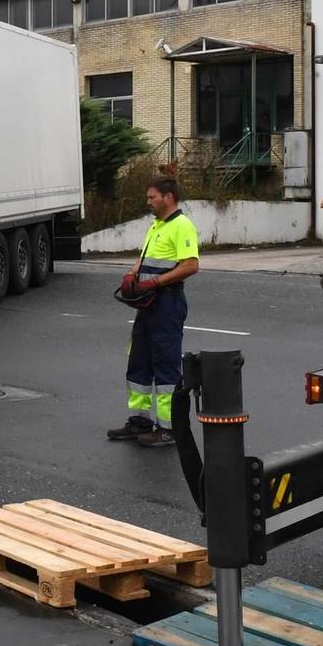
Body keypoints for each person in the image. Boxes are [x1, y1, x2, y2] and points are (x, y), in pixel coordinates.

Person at [107, 175, 200, 447]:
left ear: (168, 197)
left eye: (152, 197)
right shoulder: (157, 225)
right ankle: (139, 422)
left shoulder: (182, 225)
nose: (148, 201)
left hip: (167, 303)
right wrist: (132, 273)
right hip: (147, 303)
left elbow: (190, 265)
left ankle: (169, 429)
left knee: (166, 366)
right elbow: (146, 257)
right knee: (139, 362)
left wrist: (156, 281)